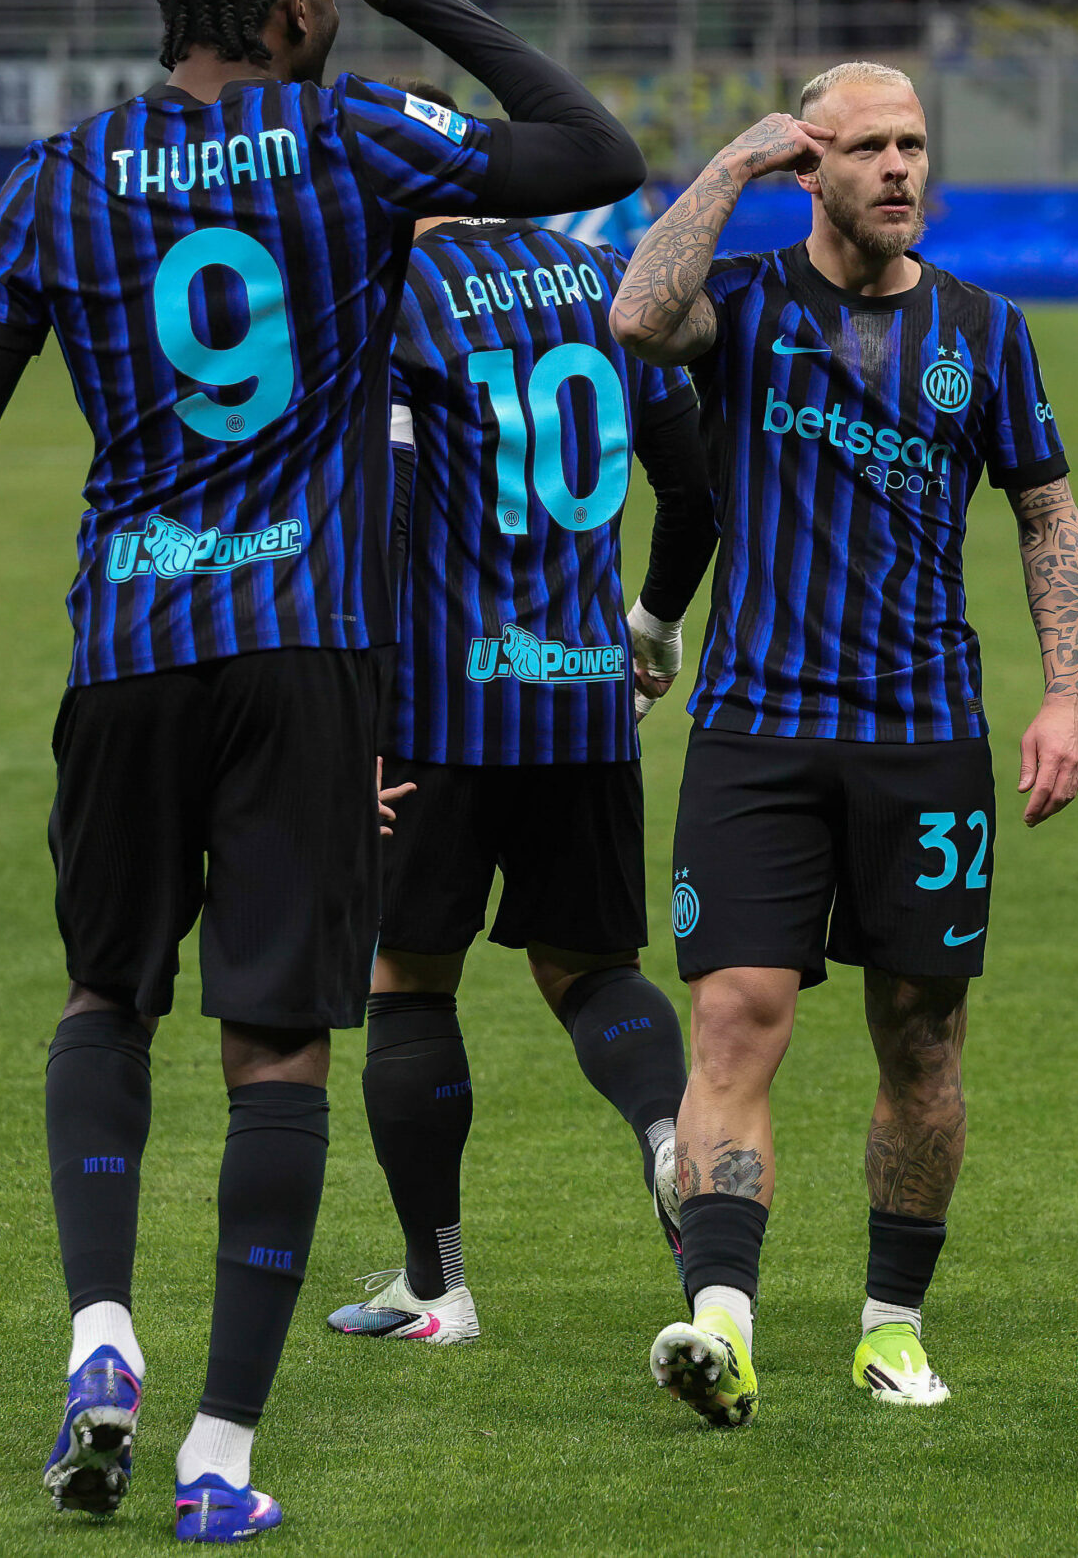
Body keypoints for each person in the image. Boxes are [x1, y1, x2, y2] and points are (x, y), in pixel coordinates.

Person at [0, 0, 644, 1542]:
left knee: (102, 1000)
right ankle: (216, 1454)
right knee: (275, 1043)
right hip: (304, 656)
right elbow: (591, 149)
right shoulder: (351, 138)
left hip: (130, 643)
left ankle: (101, 1339)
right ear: (289, 10)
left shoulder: (60, 178)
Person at [610, 61, 1078, 1425]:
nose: (900, 168)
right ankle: (722, 1321)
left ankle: (891, 1323)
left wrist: (1067, 692)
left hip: (925, 738)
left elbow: (1049, 515)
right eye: (869, 147)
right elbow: (639, 316)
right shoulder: (749, 302)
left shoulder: (986, 332)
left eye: (914, 144)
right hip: (756, 731)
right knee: (731, 1020)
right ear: (815, 166)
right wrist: (731, 164)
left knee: (922, 1039)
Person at [321, 78, 718, 1348]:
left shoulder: (390, 300)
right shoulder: (598, 282)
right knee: (591, 969)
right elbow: (693, 486)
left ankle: (436, 1288)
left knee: (407, 982)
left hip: (439, 706)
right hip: (584, 706)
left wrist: (359, 708)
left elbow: (383, 516)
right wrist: (651, 622)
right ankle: (669, 1140)